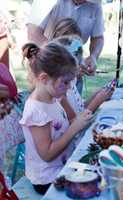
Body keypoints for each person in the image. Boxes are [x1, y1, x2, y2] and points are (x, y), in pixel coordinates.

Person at [20, 41, 92, 195]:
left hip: (62, 167)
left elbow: (61, 129)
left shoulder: (54, 99)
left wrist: (79, 119)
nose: (69, 88)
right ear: (44, 78)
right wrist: (74, 127)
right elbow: (47, 154)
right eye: (65, 82)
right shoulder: (36, 111)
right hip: (46, 179)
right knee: (93, 187)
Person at [27, 0, 104, 80]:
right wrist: (63, 62)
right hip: (45, 68)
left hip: (74, 72)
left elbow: (98, 37)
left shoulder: (95, 4)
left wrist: (93, 56)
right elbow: (34, 34)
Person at [53, 35, 114, 114]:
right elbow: (76, 122)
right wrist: (98, 101)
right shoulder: (61, 93)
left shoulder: (71, 82)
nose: (82, 67)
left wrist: (97, 94)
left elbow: (81, 108)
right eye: (78, 65)